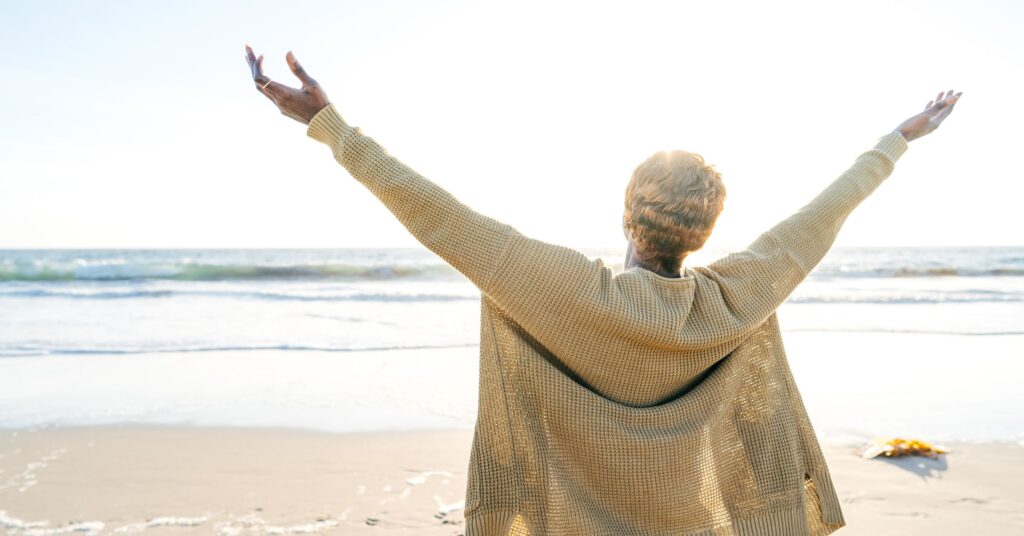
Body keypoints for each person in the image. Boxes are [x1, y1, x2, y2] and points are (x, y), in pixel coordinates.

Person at [244, 45, 961, 536]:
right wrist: (899, 139)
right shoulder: (734, 299)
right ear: (707, 230)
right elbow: (821, 217)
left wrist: (328, 125)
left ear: (627, 212)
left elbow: (435, 214)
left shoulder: (562, 290)